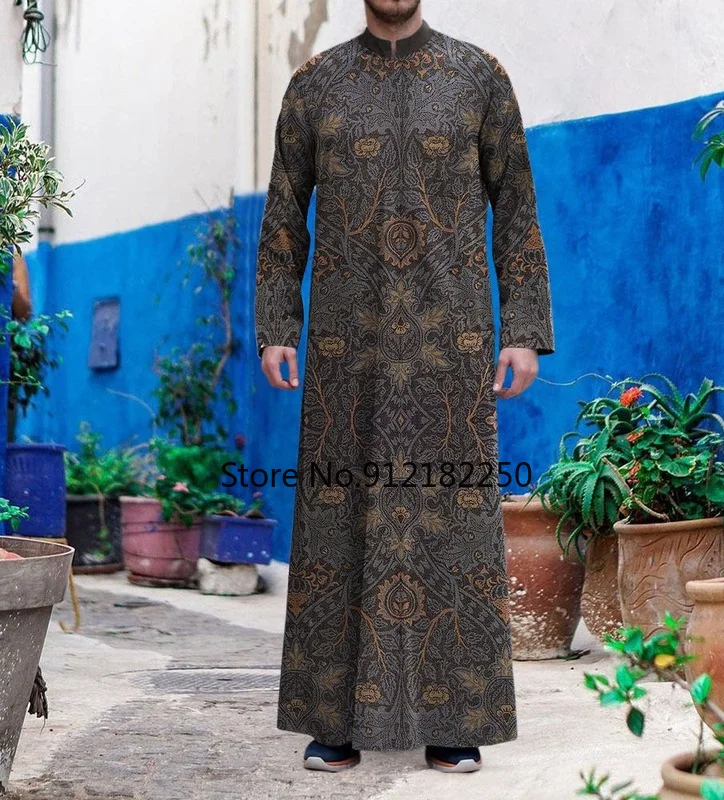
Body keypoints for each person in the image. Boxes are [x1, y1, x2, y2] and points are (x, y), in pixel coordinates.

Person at [255, 0, 556, 774]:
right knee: (337, 522)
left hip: (451, 346)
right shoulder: (315, 84)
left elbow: (516, 206)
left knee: (450, 525)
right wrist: (277, 323)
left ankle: (455, 720)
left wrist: (524, 327)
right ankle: (334, 720)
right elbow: (285, 212)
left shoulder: (478, 77)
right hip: (342, 349)